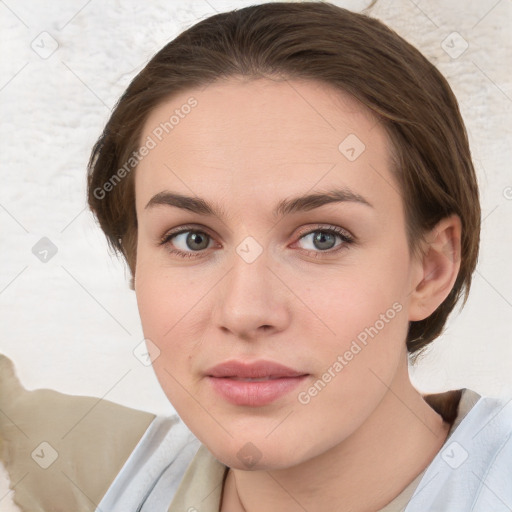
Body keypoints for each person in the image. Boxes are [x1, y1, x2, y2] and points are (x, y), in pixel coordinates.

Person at [83, 2, 512, 511]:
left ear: (431, 269)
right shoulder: (105, 482)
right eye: (192, 239)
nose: (244, 312)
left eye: (322, 239)